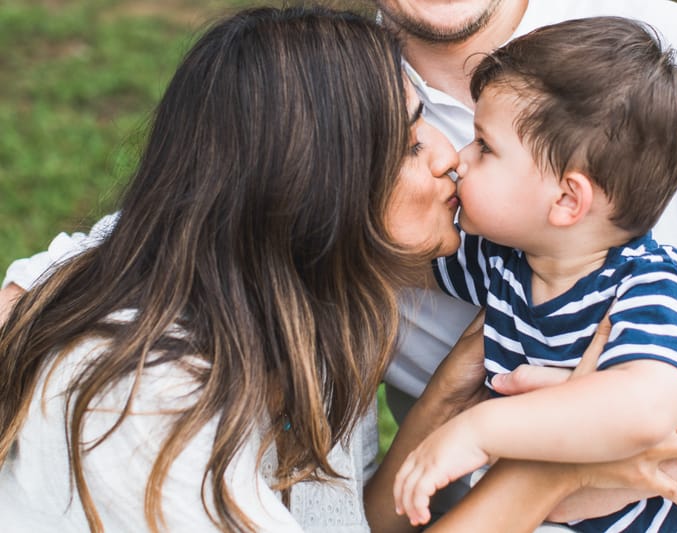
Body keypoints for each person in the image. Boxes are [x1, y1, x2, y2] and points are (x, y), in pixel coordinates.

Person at [0, 6, 469, 531]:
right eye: (410, 144)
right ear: (314, 187)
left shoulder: (319, 323)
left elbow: (350, 522)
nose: (452, 156)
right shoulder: (146, 397)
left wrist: (452, 387)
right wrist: (541, 482)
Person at [373, 0, 677, 532]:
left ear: (568, 201)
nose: (457, 158)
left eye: (483, 147)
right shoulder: (504, 266)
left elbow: (644, 409)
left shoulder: (654, 288)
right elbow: (392, 265)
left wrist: (487, 431)